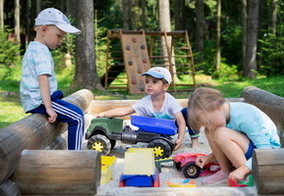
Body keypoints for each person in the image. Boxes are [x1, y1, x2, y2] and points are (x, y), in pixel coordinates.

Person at [20, 8, 84, 150]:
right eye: (59, 36)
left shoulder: (33, 48)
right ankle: (76, 156)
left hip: (36, 99)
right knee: (78, 117)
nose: (61, 41)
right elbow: (43, 78)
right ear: (43, 30)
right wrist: (49, 107)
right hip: (40, 101)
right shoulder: (41, 51)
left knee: (61, 97)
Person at [187, 87, 280, 185]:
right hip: (250, 151)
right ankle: (225, 170)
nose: (209, 127)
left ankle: (247, 176)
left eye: (209, 122)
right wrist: (210, 158)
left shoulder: (242, 116)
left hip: (267, 155)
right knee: (210, 131)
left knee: (220, 133)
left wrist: (243, 170)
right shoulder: (221, 116)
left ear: (217, 106)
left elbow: (266, 149)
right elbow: (231, 145)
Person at [97, 67, 186, 151]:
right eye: (147, 82)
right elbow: (126, 110)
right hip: (149, 131)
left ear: (165, 87)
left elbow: (181, 121)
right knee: (136, 131)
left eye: (154, 82)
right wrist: (104, 114)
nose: (149, 85)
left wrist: (180, 139)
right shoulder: (145, 101)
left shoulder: (170, 101)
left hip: (165, 130)